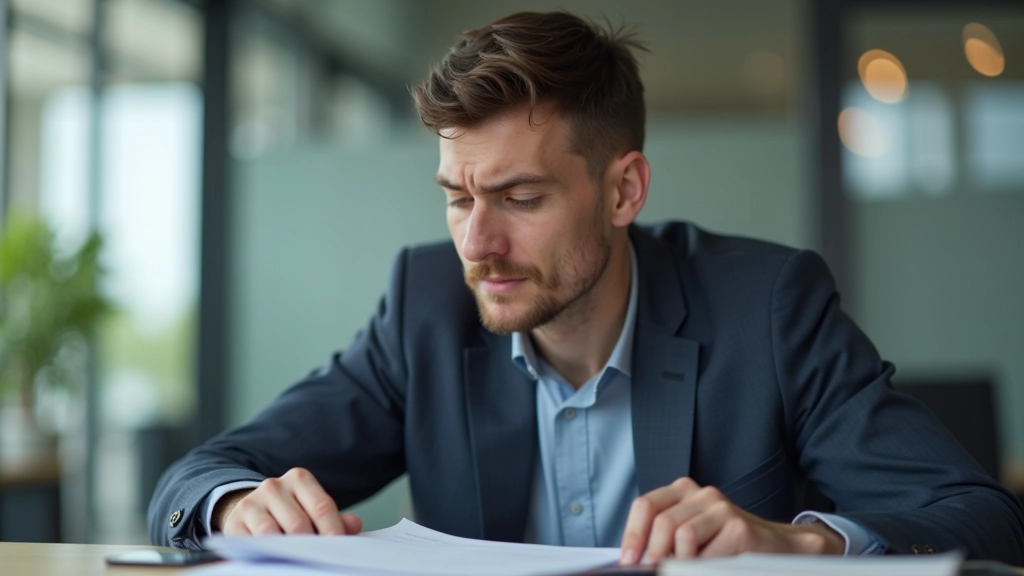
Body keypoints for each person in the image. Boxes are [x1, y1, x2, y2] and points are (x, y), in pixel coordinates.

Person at [149, 11, 1024, 564]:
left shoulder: (770, 308)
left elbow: (981, 517)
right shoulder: (425, 306)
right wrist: (237, 501)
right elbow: (192, 480)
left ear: (623, 191)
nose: (477, 242)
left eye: (519, 198)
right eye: (457, 197)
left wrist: (799, 541)